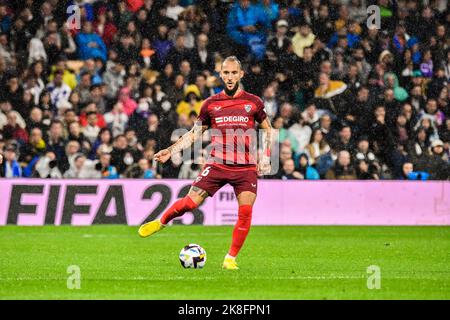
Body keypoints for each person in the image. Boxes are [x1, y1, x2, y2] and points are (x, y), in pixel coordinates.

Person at [138, 56, 272, 270]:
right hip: (217, 164)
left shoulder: (253, 102)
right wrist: (171, 150)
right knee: (190, 204)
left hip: (245, 167)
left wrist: (265, 155)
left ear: (241, 74)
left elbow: (269, 129)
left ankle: (230, 259)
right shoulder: (210, 104)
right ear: (220, 75)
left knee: (245, 212)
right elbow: (194, 134)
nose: (229, 77)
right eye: (225, 73)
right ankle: (160, 222)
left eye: (233, 73)